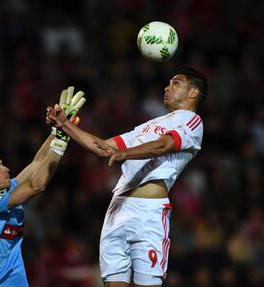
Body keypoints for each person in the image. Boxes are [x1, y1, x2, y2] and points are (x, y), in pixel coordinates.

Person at [46, 66, 207, 287]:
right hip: (117, 209)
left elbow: (164, 145)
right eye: (169, 83)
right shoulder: (150, 125)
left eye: (176, 83)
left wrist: (126, 153)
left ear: (193, 93)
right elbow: (104, 148)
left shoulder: (192, 121)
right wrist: (64, 124)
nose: (167, 87)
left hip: (148, 213)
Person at [0, 88, 85, 286]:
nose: (7, 168)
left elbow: (37, 164)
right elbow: (36, 185)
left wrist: (59, 128)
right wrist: (60, 143)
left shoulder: (4, 192)